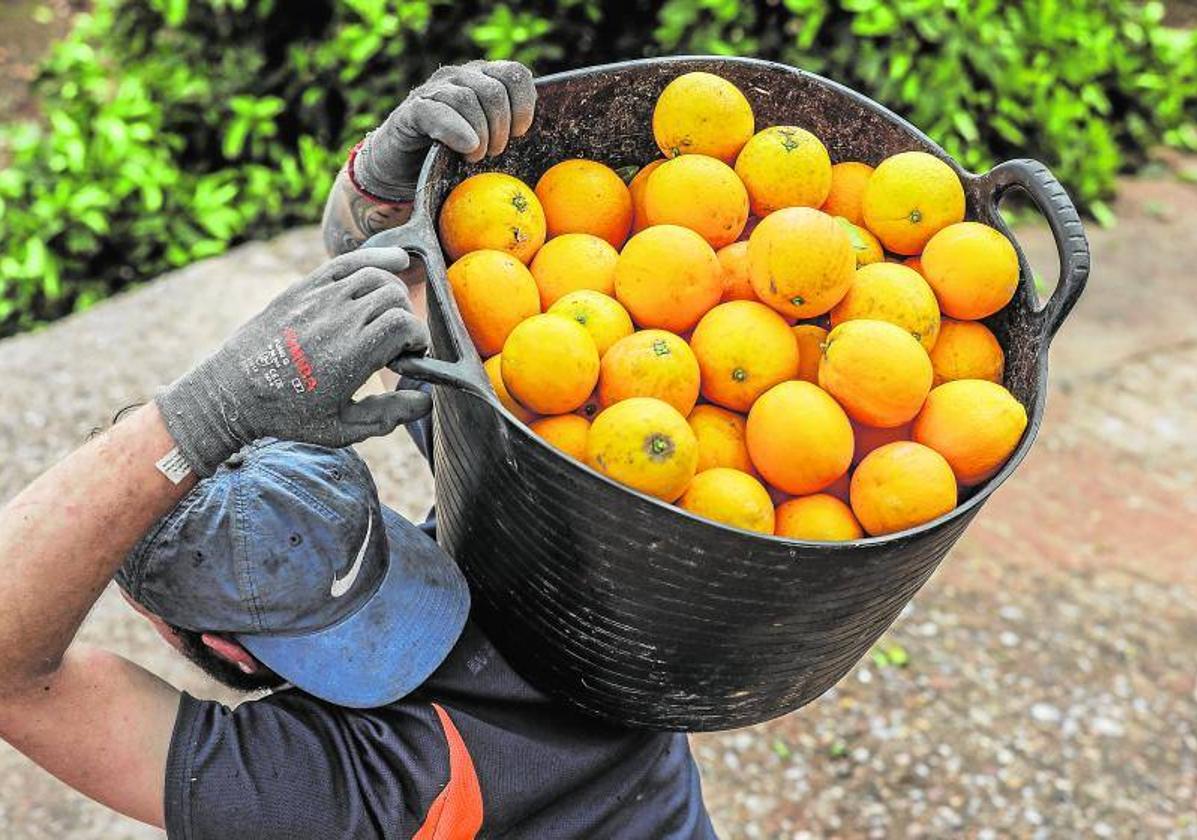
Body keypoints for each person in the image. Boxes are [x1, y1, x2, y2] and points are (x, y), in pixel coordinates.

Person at [0, 59, 718, 838]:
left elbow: (9, 671)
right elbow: (411, 297)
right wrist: (376, 196)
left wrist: (200, 421)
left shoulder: (342, 793)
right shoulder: (539, 547)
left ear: (220, 651)